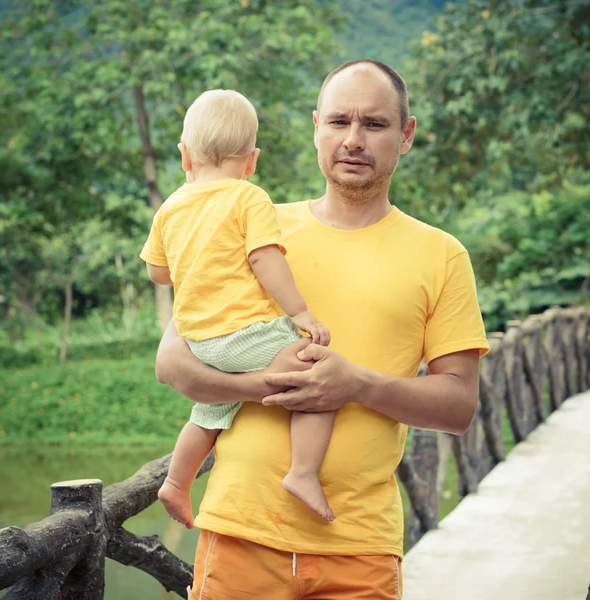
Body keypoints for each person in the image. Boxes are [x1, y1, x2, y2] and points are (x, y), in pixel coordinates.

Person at [155, 59, 491, 600]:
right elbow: (172, 364)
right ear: (316, 127)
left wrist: (355, 383)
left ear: (405, 135)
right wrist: (268, 387)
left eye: (375, 125)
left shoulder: (441, 255)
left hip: (358, 547)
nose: (353, 140)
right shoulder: (250, 222)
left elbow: (458, 407)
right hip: (241, 534)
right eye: (339, 122)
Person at [140, 90, 337, 528]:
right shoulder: (248, 198)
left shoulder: (170, 207)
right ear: (252, 161)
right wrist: (300, 313)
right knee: (316, 379)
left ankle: (176, 480)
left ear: (184, 156)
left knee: (214, 408)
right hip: (245, 335)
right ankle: (303, 473)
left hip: (199, 344)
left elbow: (158, 272)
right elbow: (265, 258)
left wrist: (197, 261)